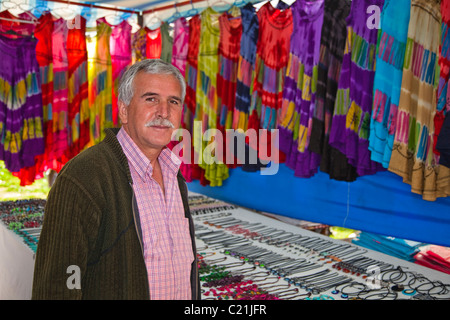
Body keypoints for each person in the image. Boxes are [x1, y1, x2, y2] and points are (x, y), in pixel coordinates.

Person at [32, 59, 199, 300]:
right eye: (151, 99)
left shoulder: (174, 176)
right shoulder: (84, 176)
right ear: (123, 110)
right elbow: (57, 287)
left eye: (173, 101)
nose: (164, 112)